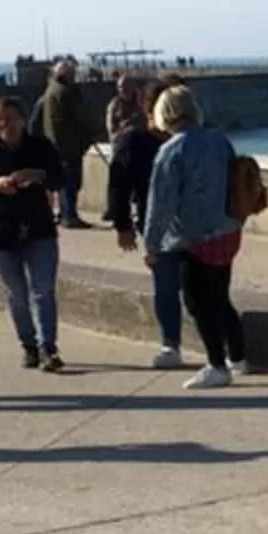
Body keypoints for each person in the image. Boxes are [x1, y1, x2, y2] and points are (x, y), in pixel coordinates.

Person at [139, 85, 246, 390]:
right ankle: (238, 356)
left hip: (195, 238)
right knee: (220, 296)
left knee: (198, 302)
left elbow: (160, 204)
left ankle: (216, 365)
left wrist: (152, 243)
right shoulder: (218, 140)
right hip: (228, 230)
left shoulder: (171, 151)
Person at [0, 93, 67, 369]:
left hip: (38, 226)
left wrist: (37, 176)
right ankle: (29, 345)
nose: (5, 126)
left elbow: (60, 177)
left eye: (10, 120)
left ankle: (49, 348)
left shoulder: (40, 146)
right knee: (16, 294)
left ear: (22, 120)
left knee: (42, 290)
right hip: (1, 228)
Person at [104, 78, 185, 366]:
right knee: (166, 284)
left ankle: (205, 344)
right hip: (156, 223)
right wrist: (122, 225)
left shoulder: (193, 140)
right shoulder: (134, 140)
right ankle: (171, 343)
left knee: (195, 287)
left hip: (192, 223)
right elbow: (118, 184)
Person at [34, 55, 96, 229]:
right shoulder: (65, 93)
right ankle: (70, 216)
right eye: (73, 73)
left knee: (63, 182)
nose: (75, 76)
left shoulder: (49, 92)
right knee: (71, 183)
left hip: (55, 145)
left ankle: (64, 214)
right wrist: (89, 134)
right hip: (68, 145)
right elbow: (79, 118)